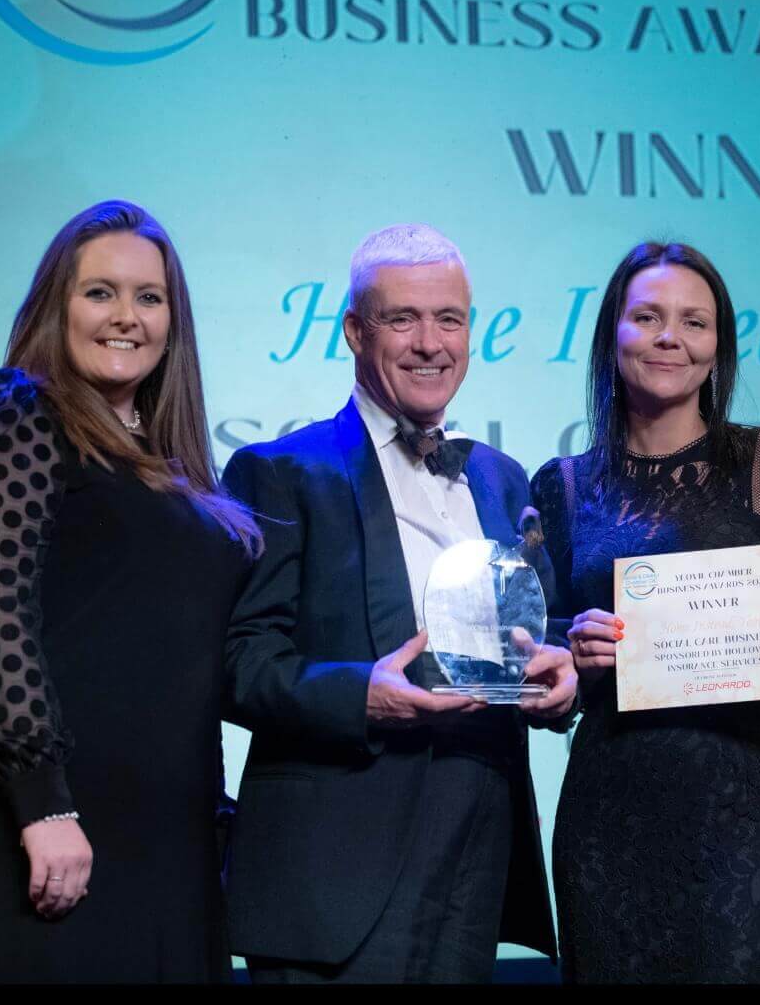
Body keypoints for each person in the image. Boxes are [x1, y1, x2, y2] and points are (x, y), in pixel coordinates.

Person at [0, 200, 261, 983]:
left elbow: (178, 661)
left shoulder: (176, 470)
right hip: (22, 821)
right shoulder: (17, 412)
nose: (127, 317)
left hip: (149, 832)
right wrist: (40, 803)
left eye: (149, 298)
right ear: (58, 305)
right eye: (99, 293)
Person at [221, 223, 577, 984]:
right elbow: (239, 661)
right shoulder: (279, 472)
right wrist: (361, 697)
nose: (429, 342)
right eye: (402, 319)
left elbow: (534, 637)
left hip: (472, 854)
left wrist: (560, 677)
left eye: (448, 318)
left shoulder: (503, 480)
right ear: (354, 330)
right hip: (331, 875)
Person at [529, 241, 760, 984]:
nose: (668, 338)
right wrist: (572, 656)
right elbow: (548, 674)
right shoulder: (560, 485)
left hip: (745, 809)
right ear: (610, 335)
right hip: (608, 808)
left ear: (718, 347)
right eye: (646, 316)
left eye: (694, 322)